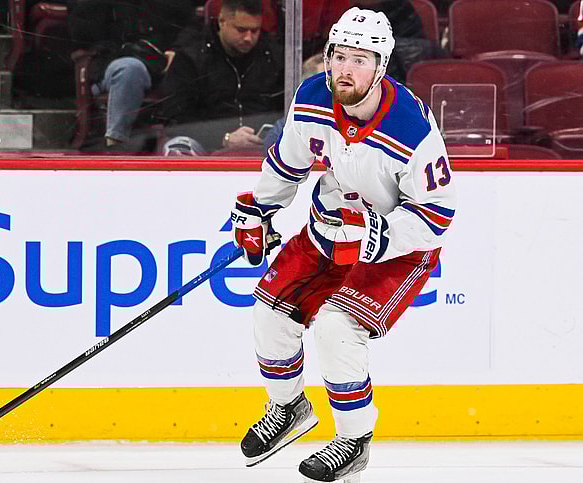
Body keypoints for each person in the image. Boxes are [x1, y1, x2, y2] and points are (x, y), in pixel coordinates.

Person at [230, 7, 456, 482]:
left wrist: (382, 235)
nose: (346, 68)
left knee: (336, 328)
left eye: (360, 59)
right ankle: (289, 408)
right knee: (269, 312)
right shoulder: (313, 95)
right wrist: (259, 210)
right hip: (328, 230)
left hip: (399, 249)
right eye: (339, 56)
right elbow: (287, 163)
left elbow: (436, 217)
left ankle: (353, 439)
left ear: (381, 66)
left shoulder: (411, 128)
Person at [157, 0, 284, 156]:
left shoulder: (273, 56)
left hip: (263, 145)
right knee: (177, 147)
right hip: (206, 143)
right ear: (222, 22)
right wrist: (224, 137)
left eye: (255, 30)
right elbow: (175, 118)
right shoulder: (191, 57)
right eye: (241, 30)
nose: (248, 38)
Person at [67, 0, 195, 148]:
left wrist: (177, 49)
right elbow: (80, 32)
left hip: (161, 58)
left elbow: (191, 26)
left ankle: (181, 147)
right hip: (112, 59)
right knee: (130, 69)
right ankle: (115, 144)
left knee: (187, 67)